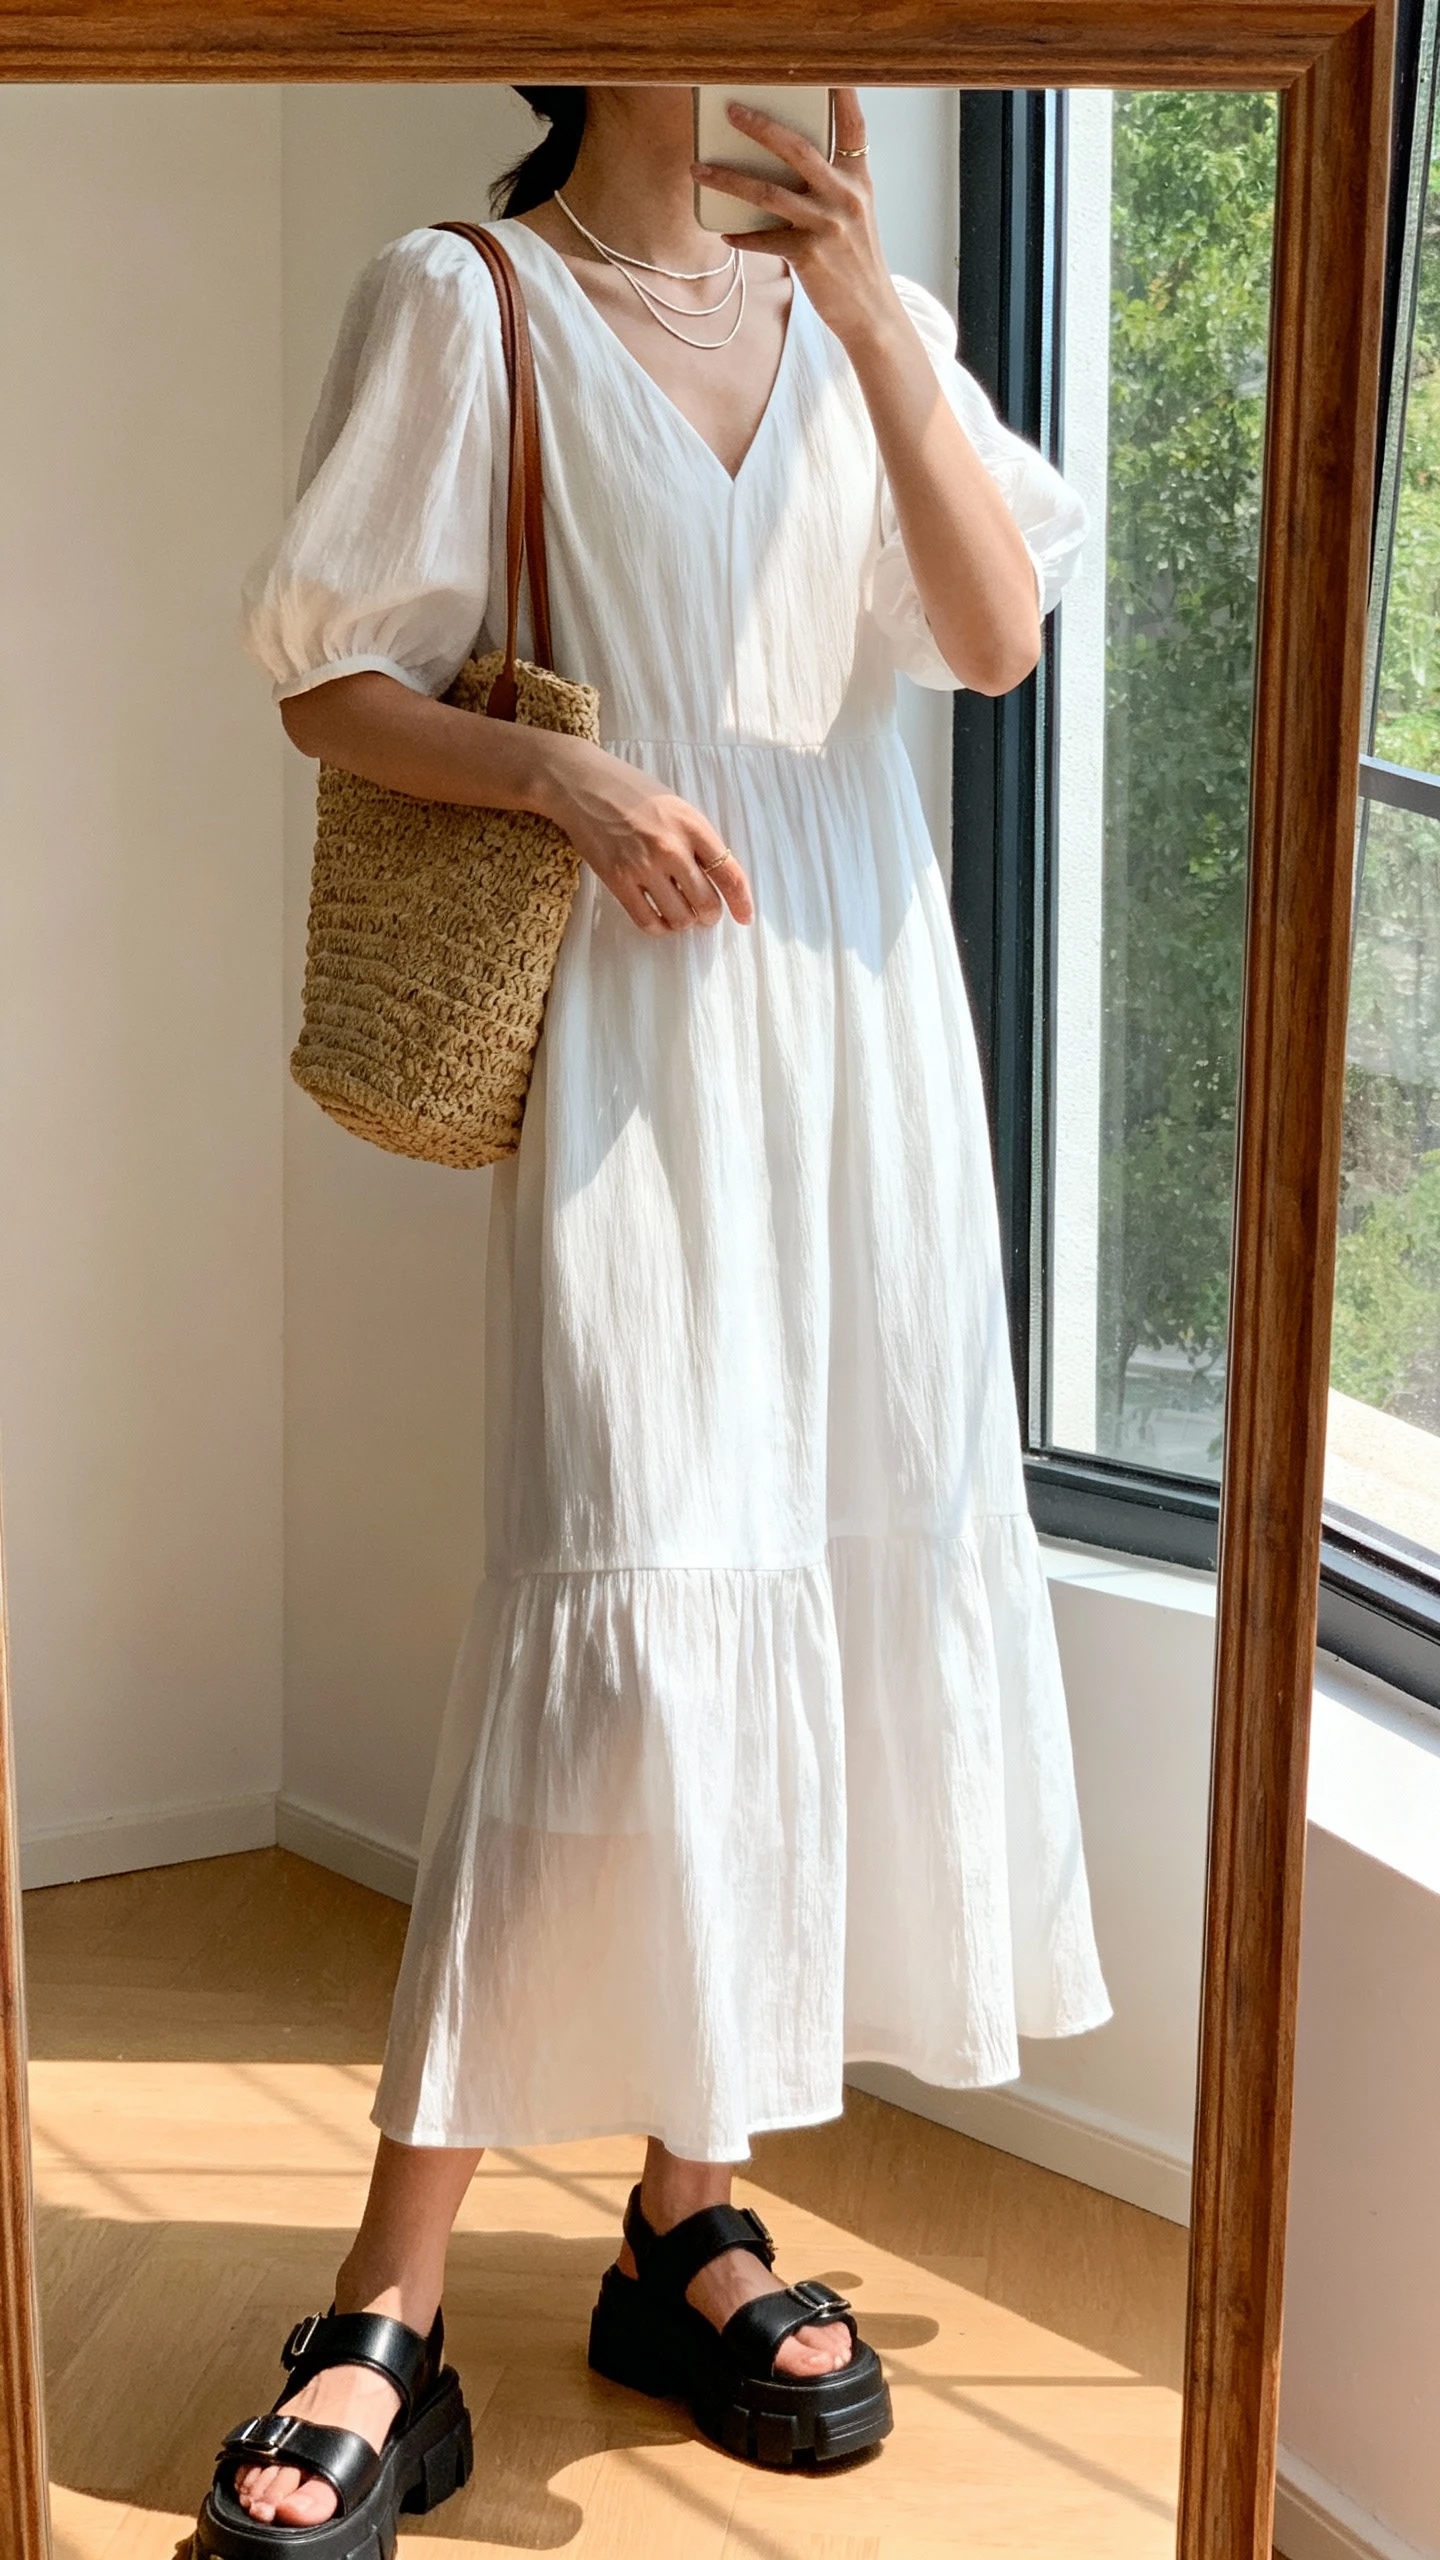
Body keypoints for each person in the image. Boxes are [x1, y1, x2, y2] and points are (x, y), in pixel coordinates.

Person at [207, 81, 1111, 2552]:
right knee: (615, 1589)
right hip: (639, 1030)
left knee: (808, 1559)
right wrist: (566, 792)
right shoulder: (465, 299)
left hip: (862, 1018)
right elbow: (321, 679)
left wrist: (852, 310)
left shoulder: (870, 312)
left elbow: (1000, 636)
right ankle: (388, 2303)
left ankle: (684, 2208)